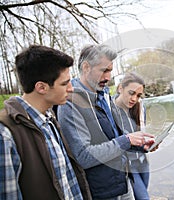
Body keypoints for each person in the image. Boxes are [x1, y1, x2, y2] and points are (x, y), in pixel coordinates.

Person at [57, 44, 155, 200]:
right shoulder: (70, 103)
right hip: (101, 192)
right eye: (104, 70)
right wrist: (126, 140)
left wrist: (139, 146)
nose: (108, 77)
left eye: (110, 71)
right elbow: (83, 156)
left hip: (122, 183)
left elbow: (114, 139)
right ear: (86, 67)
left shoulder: (104, 96)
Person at [0, 45, 92, 200]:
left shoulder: (49, 119)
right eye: (64, 83)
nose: (71, 89)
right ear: (41, 87)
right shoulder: (6, 133)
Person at [113, 72, 151, 200]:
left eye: (138, 95)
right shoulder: (109, 109)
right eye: (131, 93)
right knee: (144, 198)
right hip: (127, 165)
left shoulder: (140, 107)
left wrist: (149, 143)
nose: (134, 99)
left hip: (142, 160)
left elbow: (141, 132)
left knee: (143, 194)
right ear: (120, 88)